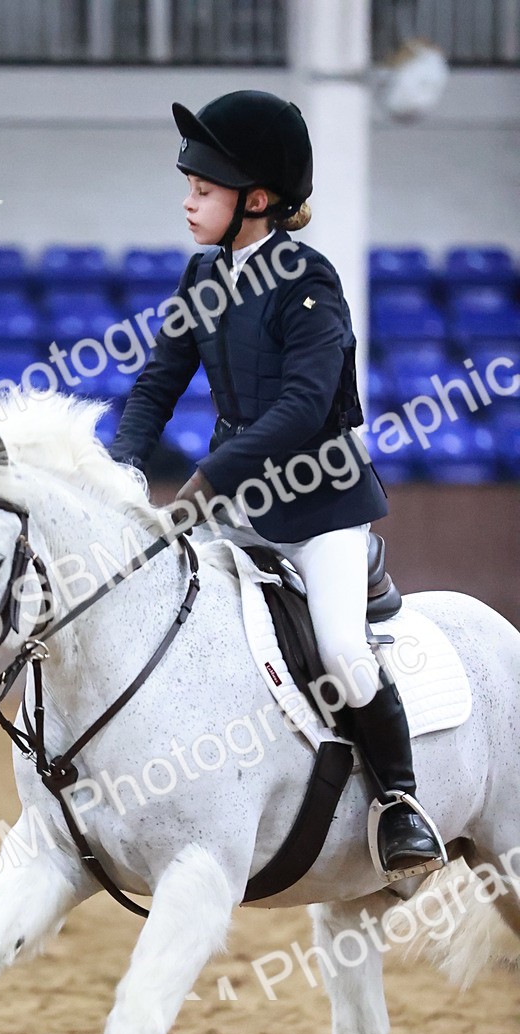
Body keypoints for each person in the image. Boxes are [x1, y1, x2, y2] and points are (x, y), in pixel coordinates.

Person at [108, 89, 445, 881]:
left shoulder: (309, 283)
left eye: (204, 189)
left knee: (340, 650)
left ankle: (400, 803)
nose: (188, 200)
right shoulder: (202, 275)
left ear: (255, 201)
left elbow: (300, 409)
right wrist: (120, 464)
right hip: (235, 509)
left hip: (320, 507)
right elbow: (158, 384)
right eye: (188, 185)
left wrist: (203, 482)